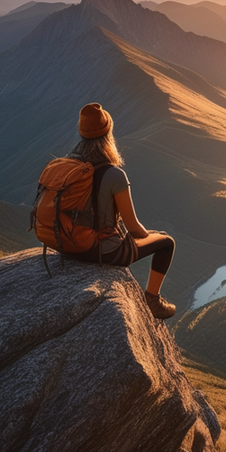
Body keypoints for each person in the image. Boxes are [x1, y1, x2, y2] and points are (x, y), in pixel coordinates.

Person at [69, 103, 176, 319]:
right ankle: (152, 300)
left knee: (159, 237)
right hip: (103, 251)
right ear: (108, 135)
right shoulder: (114, 175)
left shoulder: (70, 166)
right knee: (166, 242)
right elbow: (132, 226)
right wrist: (148, 236)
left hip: (71, 245)